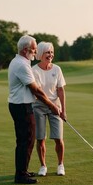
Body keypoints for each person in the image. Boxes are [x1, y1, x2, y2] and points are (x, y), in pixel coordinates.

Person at [8, 35, 61, 184]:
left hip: (19, 105)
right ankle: (20, 175)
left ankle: (22, 171)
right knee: (27, 140)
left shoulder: (19, 61)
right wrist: (53, 106)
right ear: (26, 50)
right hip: (22, 106)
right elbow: (36, 90)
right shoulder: (22, 65)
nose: (36, 51)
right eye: (34, 49)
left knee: (24, 140)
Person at [32, 42, 67, 176]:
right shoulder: (34, 70)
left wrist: (63, 110)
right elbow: (37, 92)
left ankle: (60, 165)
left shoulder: (57, 69)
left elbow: (61, 90)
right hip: (39, 106)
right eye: (47, 52)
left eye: (51, 52)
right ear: (40, 54)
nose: (50, 55)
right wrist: (51, 106)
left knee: (58, 138)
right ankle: (43, 166)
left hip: (55, 107)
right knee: (40, 138)